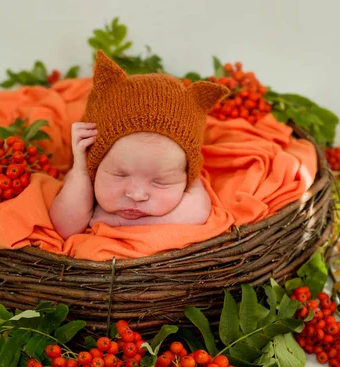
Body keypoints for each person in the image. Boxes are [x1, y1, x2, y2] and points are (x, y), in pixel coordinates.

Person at [49, 51, 228, 240]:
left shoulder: (186, 177)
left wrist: (121, 222)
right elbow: (65, 227)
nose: (136, 194)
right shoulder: (86, 174)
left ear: (186, 176)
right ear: (93, 162)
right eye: (120, 175)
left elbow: (198, 212)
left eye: (160, 182)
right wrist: (81, 170)